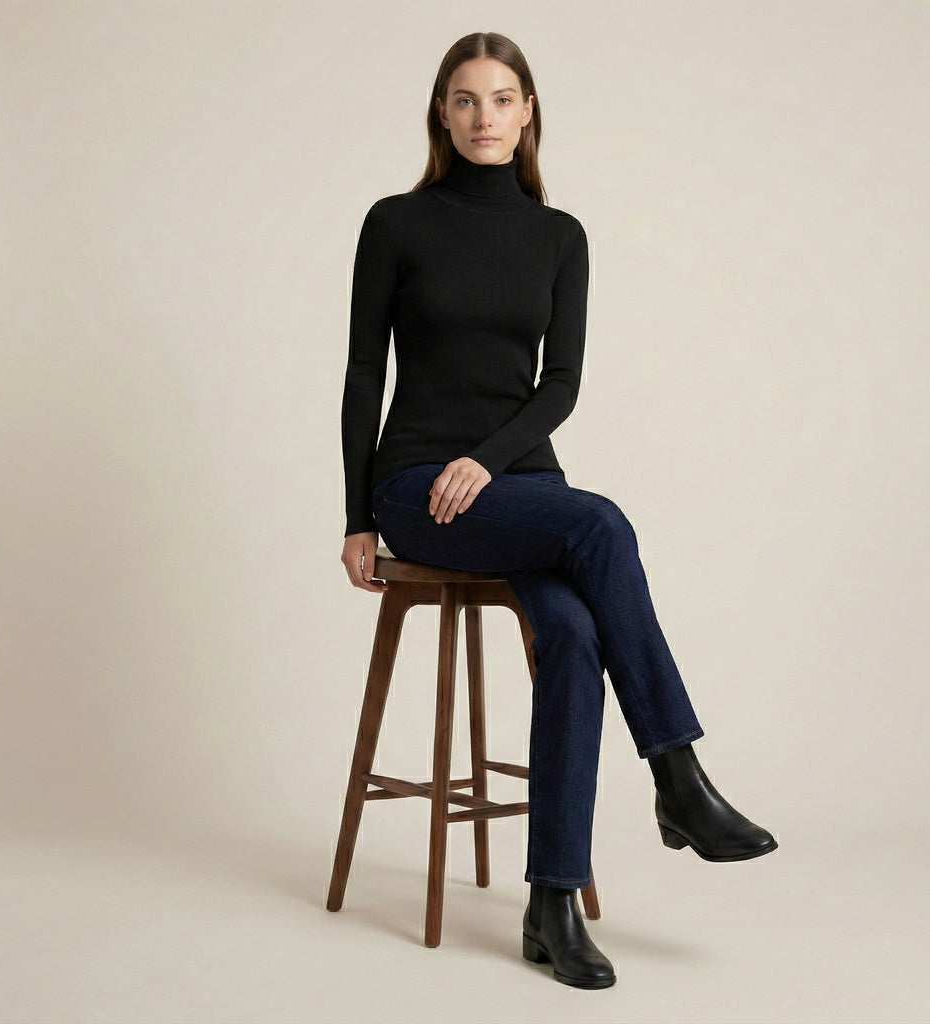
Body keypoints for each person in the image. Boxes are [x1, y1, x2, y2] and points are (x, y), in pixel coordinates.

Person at [340, 31, 777, 990]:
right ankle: (678, 777)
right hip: (418, 486)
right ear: (441, 114)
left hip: (515, 484)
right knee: (604, 521)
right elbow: (365, 372)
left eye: (501, 99)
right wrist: (356, 515)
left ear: (528, 111)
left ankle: (551, 907)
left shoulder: (559, 235)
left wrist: (489, 463)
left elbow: (562, 384)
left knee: (574, 634)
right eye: (465, 100)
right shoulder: (395, 222)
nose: (484, 117)